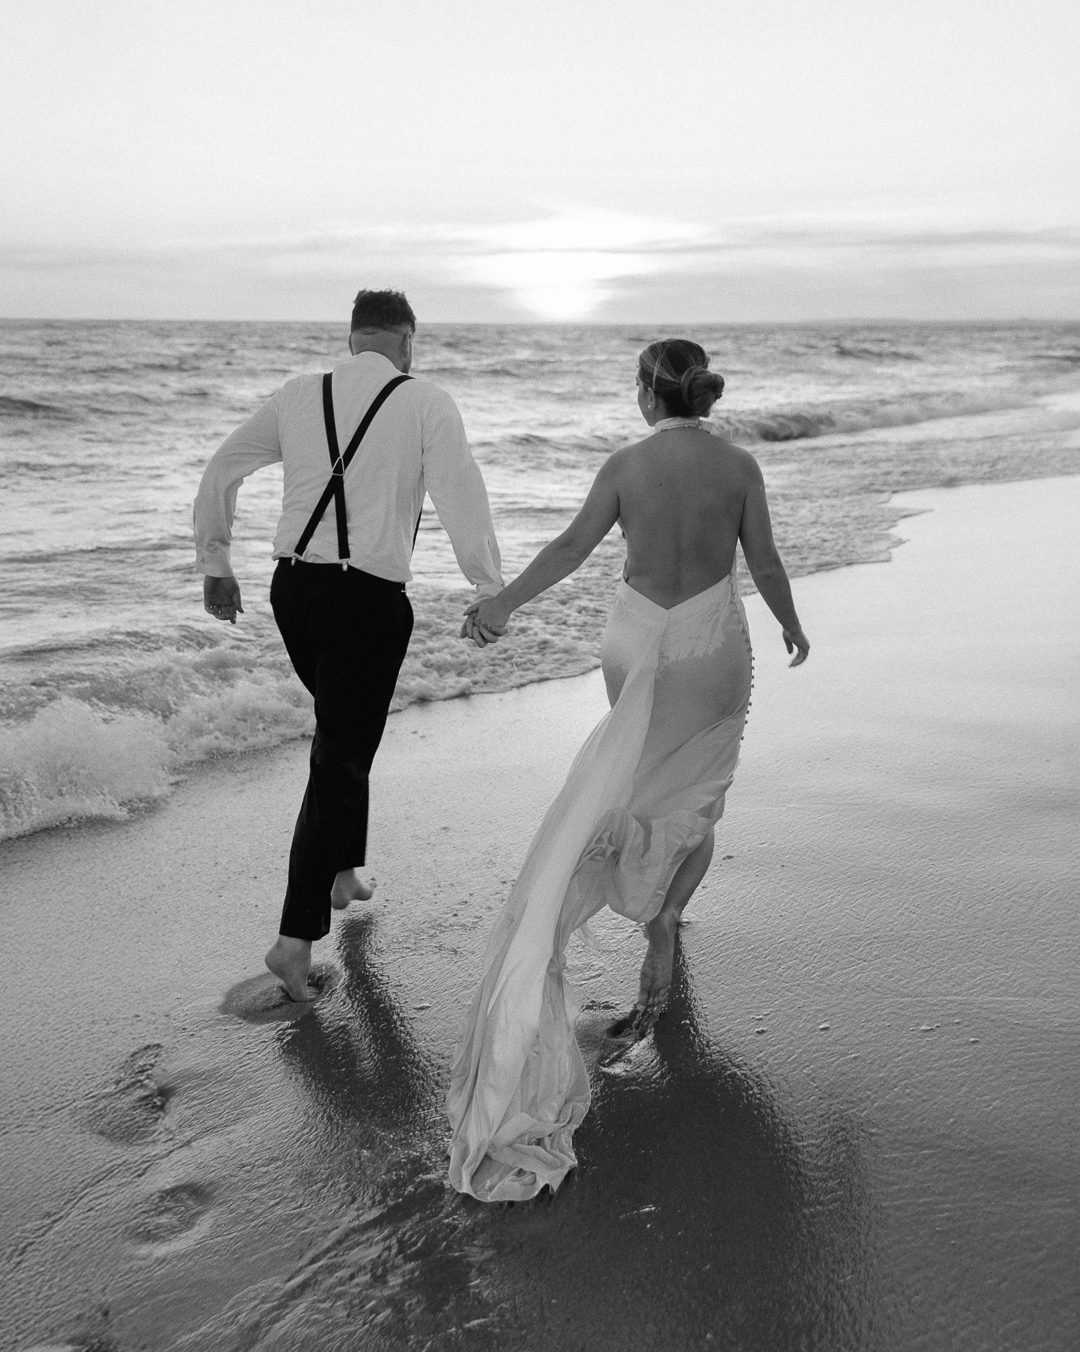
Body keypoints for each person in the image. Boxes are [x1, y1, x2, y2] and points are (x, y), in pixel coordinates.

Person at [447, 337, 809, 1201]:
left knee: (628, 785)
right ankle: (666, 916)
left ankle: (616, 885)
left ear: (650, 393)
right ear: (703, 394)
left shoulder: (624, 464)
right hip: (711, 644)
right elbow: (760, 563)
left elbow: (574, 548)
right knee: (699, 796)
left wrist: (502, 604)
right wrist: (793, 624)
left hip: (635, 636)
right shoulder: (739, 465)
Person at [193, 289, 502, 1002]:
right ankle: (293, 939)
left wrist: (216, 562)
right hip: (366, 601)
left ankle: (344, 873)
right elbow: (461, 491)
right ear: (408, 340)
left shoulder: (301, 394)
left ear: (352, 337)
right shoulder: (426, 401)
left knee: (345, 731)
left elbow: (222, 468)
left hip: (291, 593)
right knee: (338, 755)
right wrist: (488, 586)